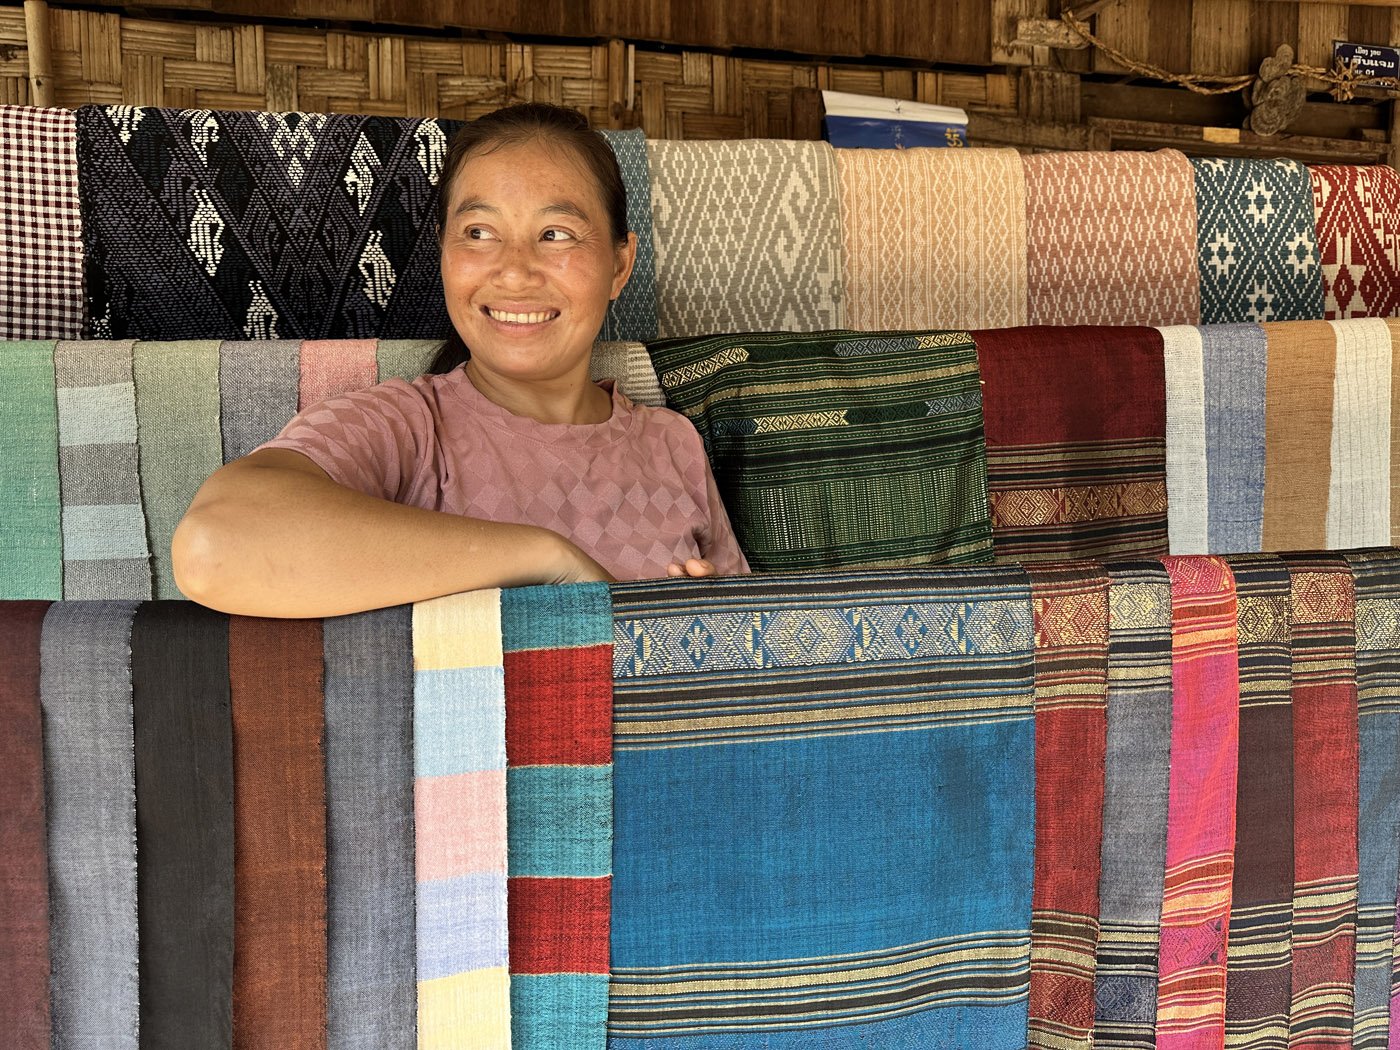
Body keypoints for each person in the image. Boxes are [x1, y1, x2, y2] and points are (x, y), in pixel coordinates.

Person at [173, 103, 749, 618]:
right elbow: (213, 547)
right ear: (444, 254)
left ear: (620, 266)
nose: (514, 269)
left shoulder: (672, 443)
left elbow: (750, 671)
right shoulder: (404, 426)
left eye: (556, 234)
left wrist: (704, 619)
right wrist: (545, 559)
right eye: (479, 231)